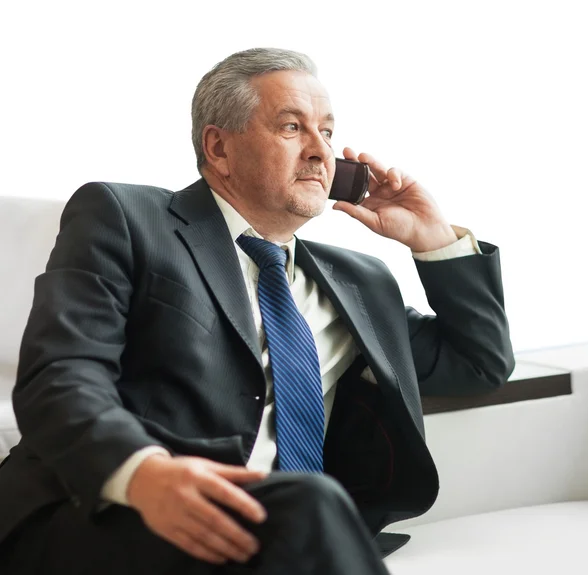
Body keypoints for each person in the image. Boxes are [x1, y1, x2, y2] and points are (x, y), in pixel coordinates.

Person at [0, 47, 514, 574]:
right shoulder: (126, 218)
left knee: (310, 507)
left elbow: (480, 363)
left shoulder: (359, 282)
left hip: (281, 533)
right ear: (218, 147)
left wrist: (433, 241)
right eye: (293, 127)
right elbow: (61, 376)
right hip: (113, 516)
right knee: (311, 503)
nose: (321, 152)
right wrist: (145, 475)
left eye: (329, 133)